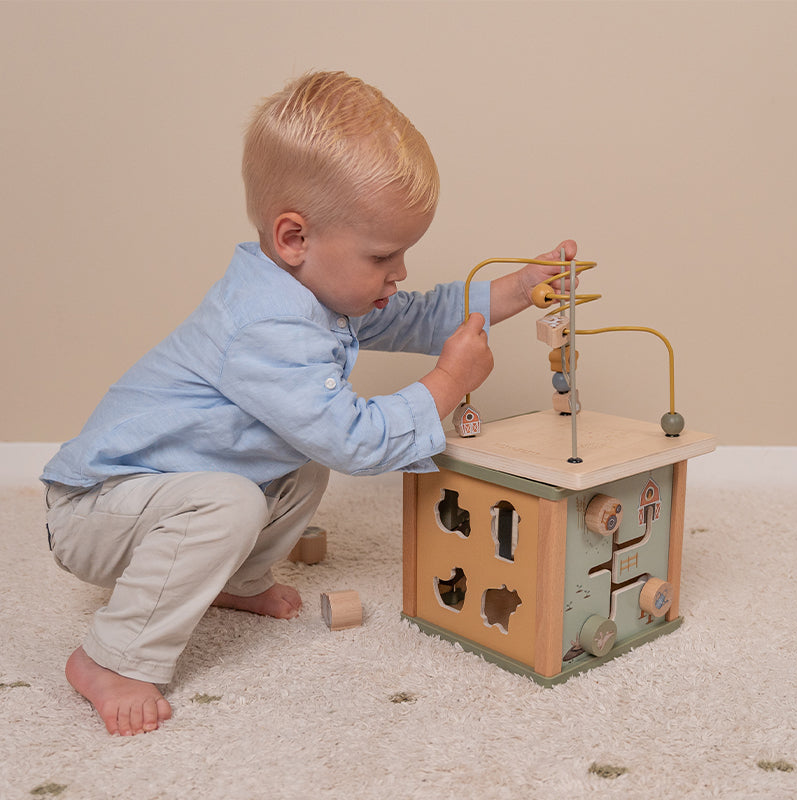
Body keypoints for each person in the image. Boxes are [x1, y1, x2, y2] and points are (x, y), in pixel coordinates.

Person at [41, 70, 577, 736]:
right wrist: (447, 380)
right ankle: (111, 658)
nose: (399, 272)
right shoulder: (265, 326)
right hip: (97, 509)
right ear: (294, 239)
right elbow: (355, 441)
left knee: (300, 466)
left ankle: (235, 581)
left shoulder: (317, 293)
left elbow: (417, 314)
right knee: (237, 499)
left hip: (165, 493)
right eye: (383, 255)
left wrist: (518, 289)